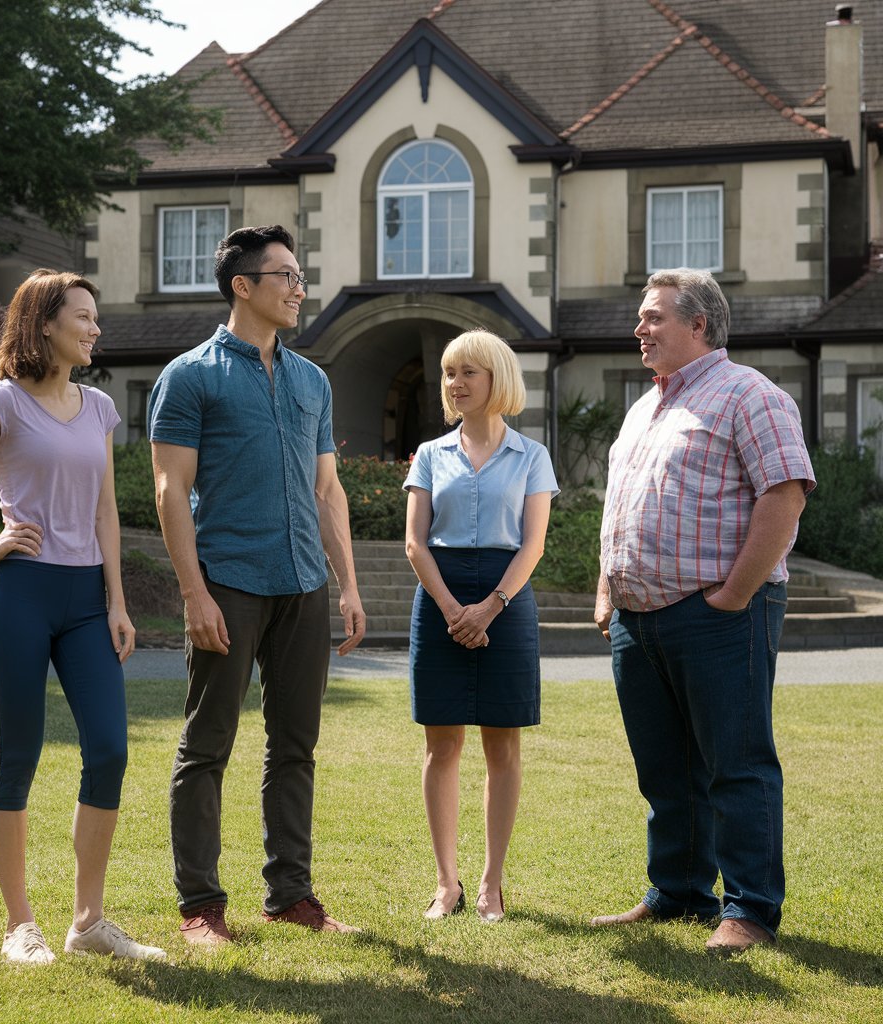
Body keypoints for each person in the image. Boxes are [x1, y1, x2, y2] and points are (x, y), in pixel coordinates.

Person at [0, 270, 165, 965]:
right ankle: (18, 925)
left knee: (109, 751)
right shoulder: (3, 402)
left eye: (96, 319)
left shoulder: (97, 408)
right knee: (16, 757)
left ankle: (88, 923)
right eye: (82, 317)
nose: (94, 329)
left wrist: (117, 601)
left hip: (87, 601)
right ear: (43, 324)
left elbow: (107, 511)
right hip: (22, 592)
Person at [148, 225, 366, 948]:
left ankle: (291, 895)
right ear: (243, 285)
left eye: (299, 276)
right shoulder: (190, 375)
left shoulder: (312, 379)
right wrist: (193, 592)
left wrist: (347, 583)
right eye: (285, 276)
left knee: (295, 747)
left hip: (303, 583)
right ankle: (201, 908)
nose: (299, 289)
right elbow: (170, 490)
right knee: (207, 746)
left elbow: (327, 489)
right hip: (228, 582)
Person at [592, 268, 815, 954]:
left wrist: (736, 594)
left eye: (655, 317)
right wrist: (607, 589)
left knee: (736, 763)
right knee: (664, 768)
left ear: (700, 325)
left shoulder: (751, 395)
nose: (640, 328)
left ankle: (749, 909)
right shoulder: (642, 408)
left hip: (719, 615)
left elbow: (784, 495)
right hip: (639, 619)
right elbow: (621, 504)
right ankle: (681, 892)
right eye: (641, 316)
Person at [404, 329, 558, 923]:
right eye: (449, 372)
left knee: (504, 745)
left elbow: (534, 543)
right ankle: (448, 884)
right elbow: (416, 544)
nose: (456, 382)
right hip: (438, 594)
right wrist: (450, 610)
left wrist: (490, 606)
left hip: (508, 598)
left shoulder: (532, 456)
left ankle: (492, 884)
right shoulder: (429, 454)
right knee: (441, 745)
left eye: (469, 371)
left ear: (498, 379)